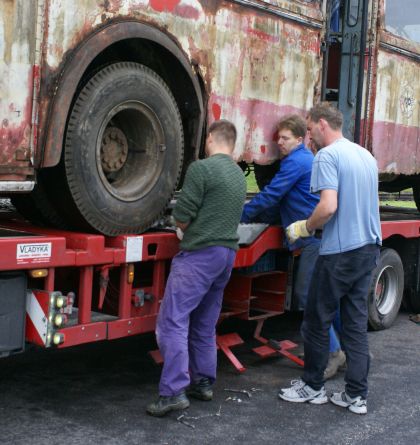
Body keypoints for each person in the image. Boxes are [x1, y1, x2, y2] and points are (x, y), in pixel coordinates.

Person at [279, 102, 381, 415]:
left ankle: (312, 388)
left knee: (316, 321)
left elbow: (328, 206)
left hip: (339, 252)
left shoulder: (327, 156)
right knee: (354, 324)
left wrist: (304, 227)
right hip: (369, 248)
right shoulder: (365, 155)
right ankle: (356, 395)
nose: (308, 138)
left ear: (323, 124)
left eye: (309, 130)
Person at [146, 119, 247, 417]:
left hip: (200, 256)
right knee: (204, 323)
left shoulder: (202, 169)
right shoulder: (239, 175)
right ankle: (203, 382)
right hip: (226, 255)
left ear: (212, 138)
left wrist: (180, 227)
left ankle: (174, 391)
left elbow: (183, 215)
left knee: (173, 321)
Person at [241, 114, 343, 372]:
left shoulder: (297, 161)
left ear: (300, 139)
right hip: (320, 237)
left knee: (308, 295)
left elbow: (272, 195)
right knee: (329, 297)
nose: (280, 143)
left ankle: (333, 352)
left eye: (285, 138)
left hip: (312, 240)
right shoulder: (304, 159)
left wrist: (241, 216)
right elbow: (285, 200)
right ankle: (347, 350)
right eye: (278, 138)